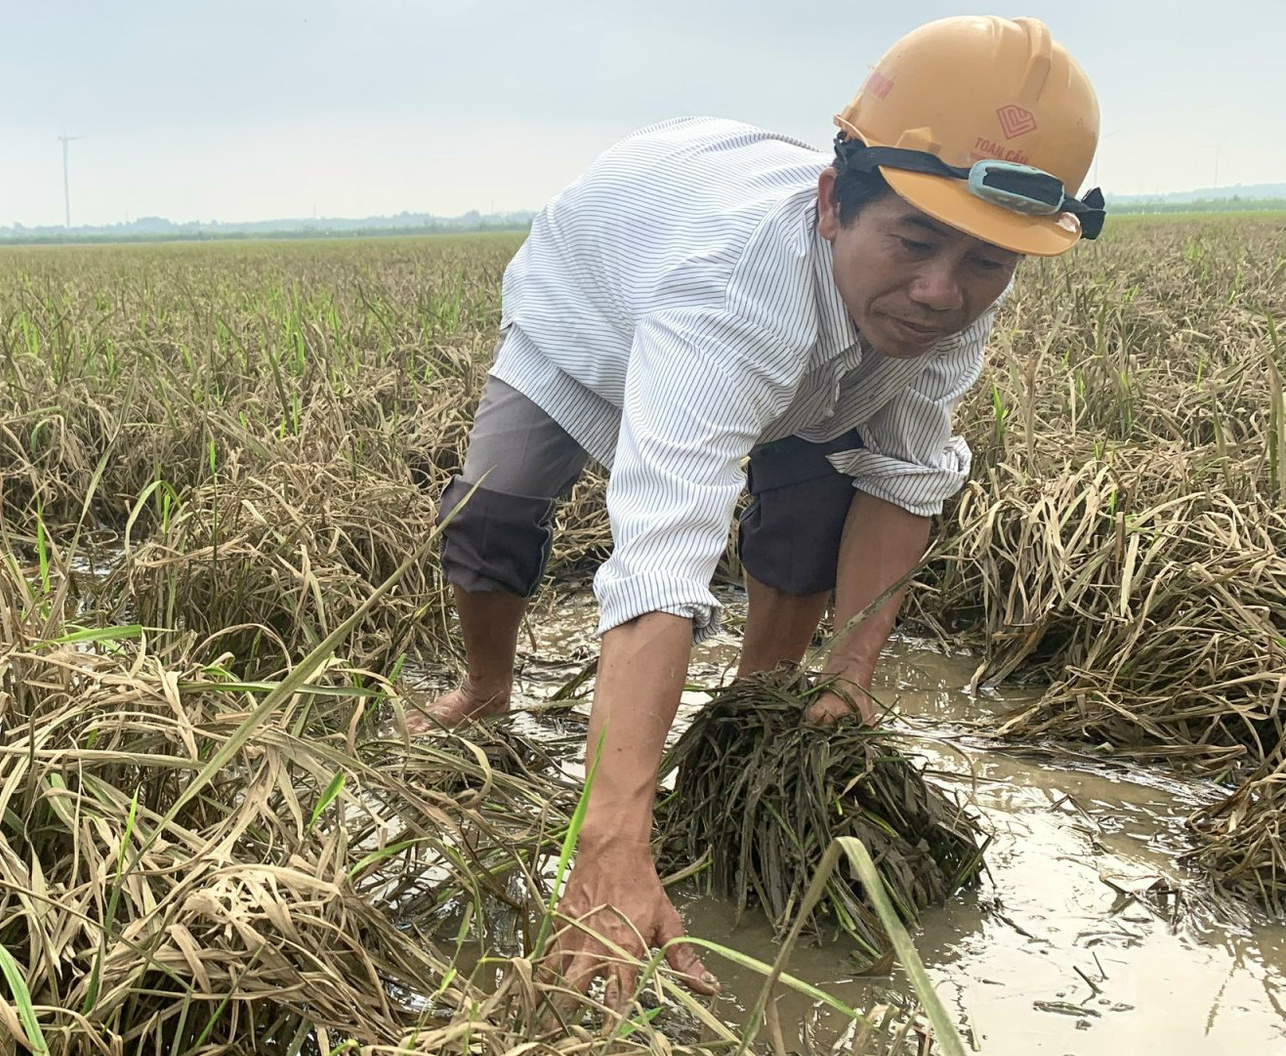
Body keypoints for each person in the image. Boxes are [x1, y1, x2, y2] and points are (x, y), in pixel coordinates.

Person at [408, 15, 1102, 1002]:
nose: (939, 292)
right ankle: (482, 688)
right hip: (589, 311)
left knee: (811, 501)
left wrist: (850, 676)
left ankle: (749, 711)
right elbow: (657, 562)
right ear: (831, 204)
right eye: (912, 241)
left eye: (985, 263)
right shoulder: (729, 292)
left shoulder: (941, 300)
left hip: (810, 356)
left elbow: (902, 478)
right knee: (494, 506)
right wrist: (607, 845)